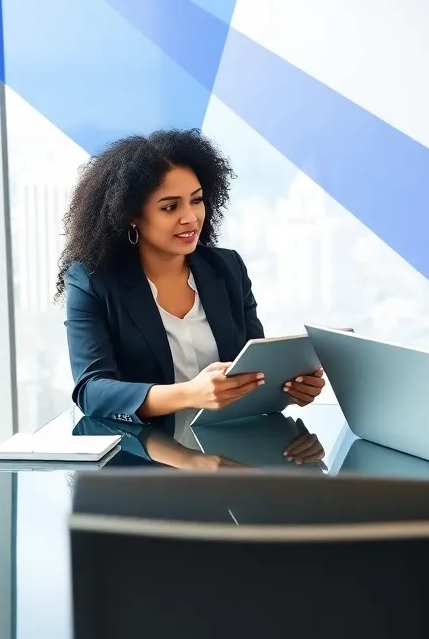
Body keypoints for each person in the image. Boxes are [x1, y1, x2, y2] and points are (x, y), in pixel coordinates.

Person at [58, 129, 324, 431]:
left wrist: (288, 387)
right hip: (144, 450)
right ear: (131, 215)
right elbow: (91, 391)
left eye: (196, 200)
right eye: (170, 207)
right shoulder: (92, 281)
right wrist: (189, 394)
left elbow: (253, 367)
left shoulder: (228, 268)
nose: (191, 217)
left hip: (226, 444)